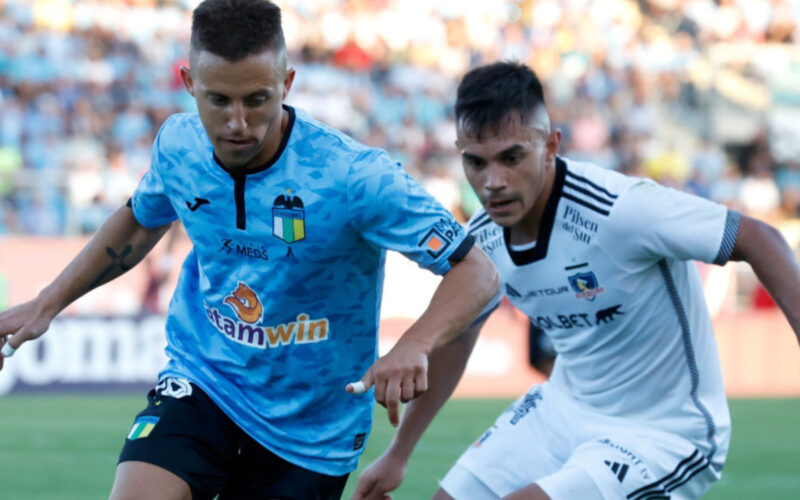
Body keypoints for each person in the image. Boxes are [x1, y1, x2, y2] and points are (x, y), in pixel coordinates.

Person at [0, 1, 498, 499]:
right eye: (219, 100)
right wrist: (48, 303)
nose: (238, 122)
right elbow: (138, 222)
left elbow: (478, 273)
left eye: (257, 99)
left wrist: (414, 343)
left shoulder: (354, 177)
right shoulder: (178, 146)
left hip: (311, 429)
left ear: (287, 83)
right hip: (204, 379)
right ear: (189, 81)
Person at [351, 61, 800, 500]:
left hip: (665, 431)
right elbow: (458, 334)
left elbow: (760, 239)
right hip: (563, 411)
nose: (492, 182)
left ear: (550, 145)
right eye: (476, 162)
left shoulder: (620, 210)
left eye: (512, 158)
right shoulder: (482, 242)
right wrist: (399, 452)